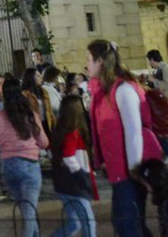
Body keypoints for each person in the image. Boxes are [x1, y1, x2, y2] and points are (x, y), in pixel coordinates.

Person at [86, 40, 162, 237]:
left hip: (130, 171)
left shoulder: (122, 90)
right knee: (128, 224)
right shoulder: (106, 91)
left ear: (100, 61)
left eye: (89, 60)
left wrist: (135, 170)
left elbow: (133, 132)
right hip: (121, 170)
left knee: (127, 225)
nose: (87, 65)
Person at [0, 77, 48, 237]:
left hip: (8, 166)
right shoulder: (30, 115)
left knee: (26, 210)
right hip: (29, 166)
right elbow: (44, 142)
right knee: (29, 212)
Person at [47, 94, 97, 237]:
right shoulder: (73, 131)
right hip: (75, 185)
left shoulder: (59, 129)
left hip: (62, 184)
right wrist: (82, 176)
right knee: (88, 222)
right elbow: (69, 157)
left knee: (74, 223)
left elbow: (53, 153)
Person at [22, 67, 56, 133]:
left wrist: (53, 122)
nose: (41, 77)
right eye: (38, 75)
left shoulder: (44, 91)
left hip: (47, 124)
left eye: (40, 75)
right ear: (31, 78)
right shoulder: (25, 94)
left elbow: (49, 110)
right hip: (35, 126)